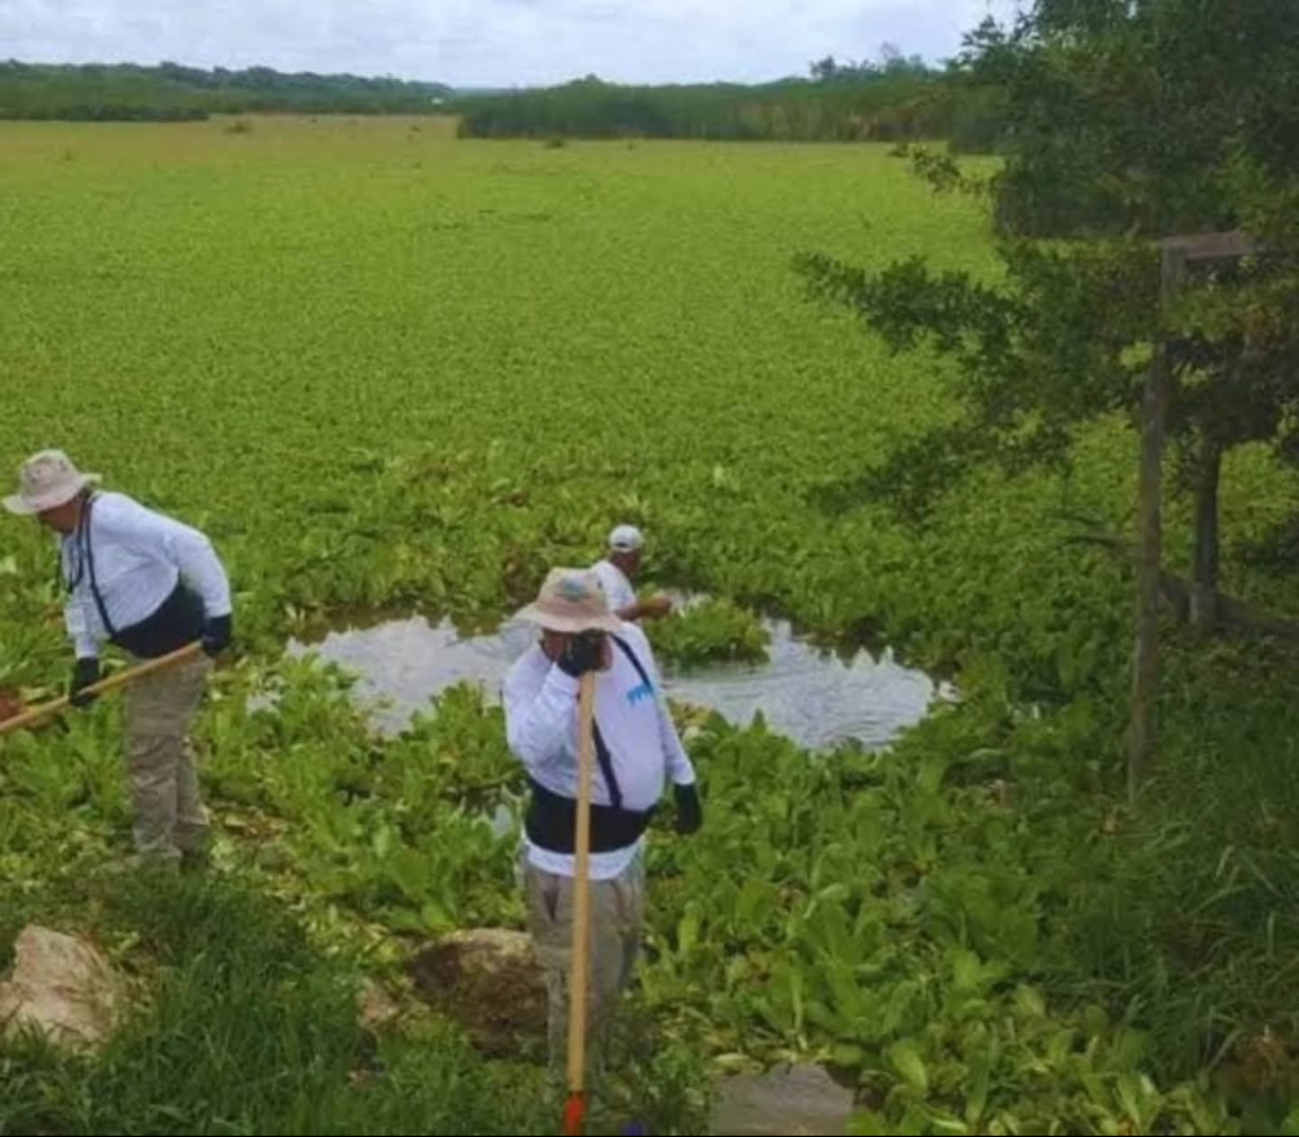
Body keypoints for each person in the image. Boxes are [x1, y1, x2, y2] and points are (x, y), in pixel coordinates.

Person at [503, 566, 702, 1080]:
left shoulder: (631, 640)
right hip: (571, 866)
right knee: (578, 993)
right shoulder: (528, 678)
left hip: (626, 855)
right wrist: (566, 675)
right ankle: (569, 1093)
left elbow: (655, 710)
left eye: (580, 629)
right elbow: (530, 747)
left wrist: (683, 777)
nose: (563, 638)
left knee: (614, 976)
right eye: (554, 629)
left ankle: (600, 1074)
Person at [3, 450, 233, 868]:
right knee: (167, 745)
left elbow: (192, 544)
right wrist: (86, 658)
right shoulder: (71, 533)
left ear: (64, 501)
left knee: (148, 755)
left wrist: (221, 614)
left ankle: (156, 861)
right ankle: (191, 836)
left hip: (178, 650)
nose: (38, 520)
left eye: (41, 510)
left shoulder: (112, 517)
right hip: (144, 651)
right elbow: (80, 594)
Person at [591, 524, 673, 623]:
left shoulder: (609, 571)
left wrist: (649, 611)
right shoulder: (608, 576)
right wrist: (644, 608)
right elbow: (610, 620)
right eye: (634, 556)